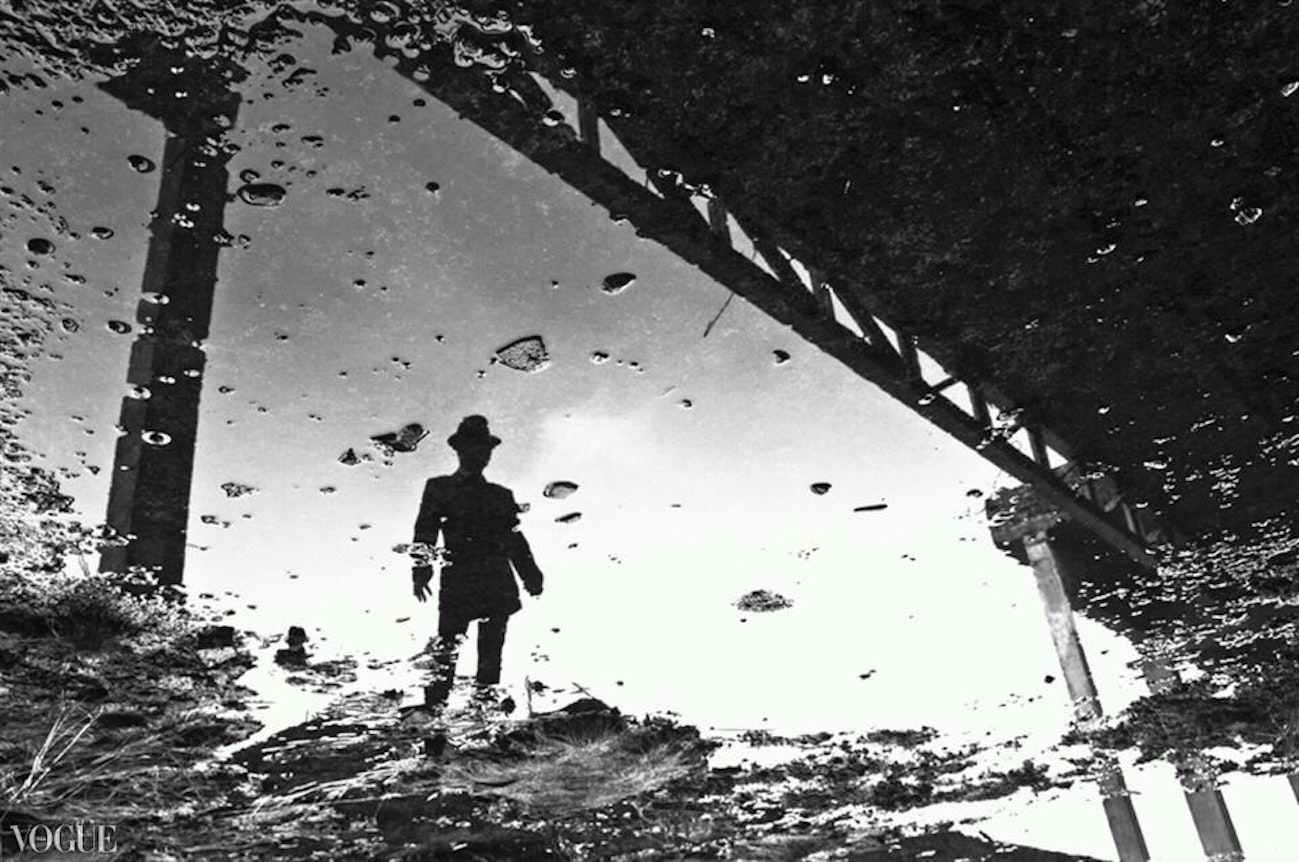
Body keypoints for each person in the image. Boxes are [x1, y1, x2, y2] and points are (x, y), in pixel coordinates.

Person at [411, 415, 544, 707]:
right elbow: (425, 530)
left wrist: (531, 574)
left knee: (491, 654)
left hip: (496, 579)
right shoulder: (439, 488)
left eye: (485, 449)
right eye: (474, 448)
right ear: (460, 450)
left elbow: (514, 539)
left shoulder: (501, 495)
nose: (481, 454)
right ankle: (434, 709)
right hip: (458, 578)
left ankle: (482, 710)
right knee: (447, 648)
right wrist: (421, 569)